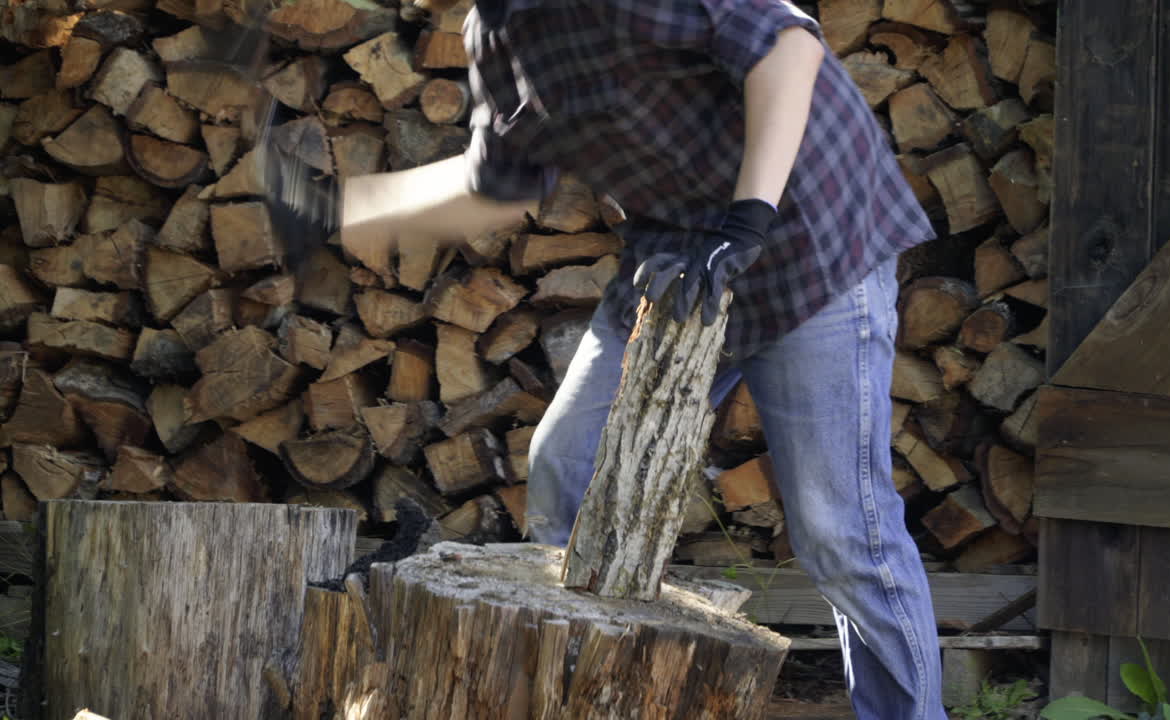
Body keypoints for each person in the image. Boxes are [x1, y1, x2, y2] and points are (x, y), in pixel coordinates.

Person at [341, 1, 944, 716]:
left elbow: (788, 46)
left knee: (840, 527)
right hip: (678, 253)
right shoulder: (498, 29)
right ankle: (592, 699)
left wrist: (748, 218)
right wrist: (337, 208)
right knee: (569, 470)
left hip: (811, 234)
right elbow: (495, 186)